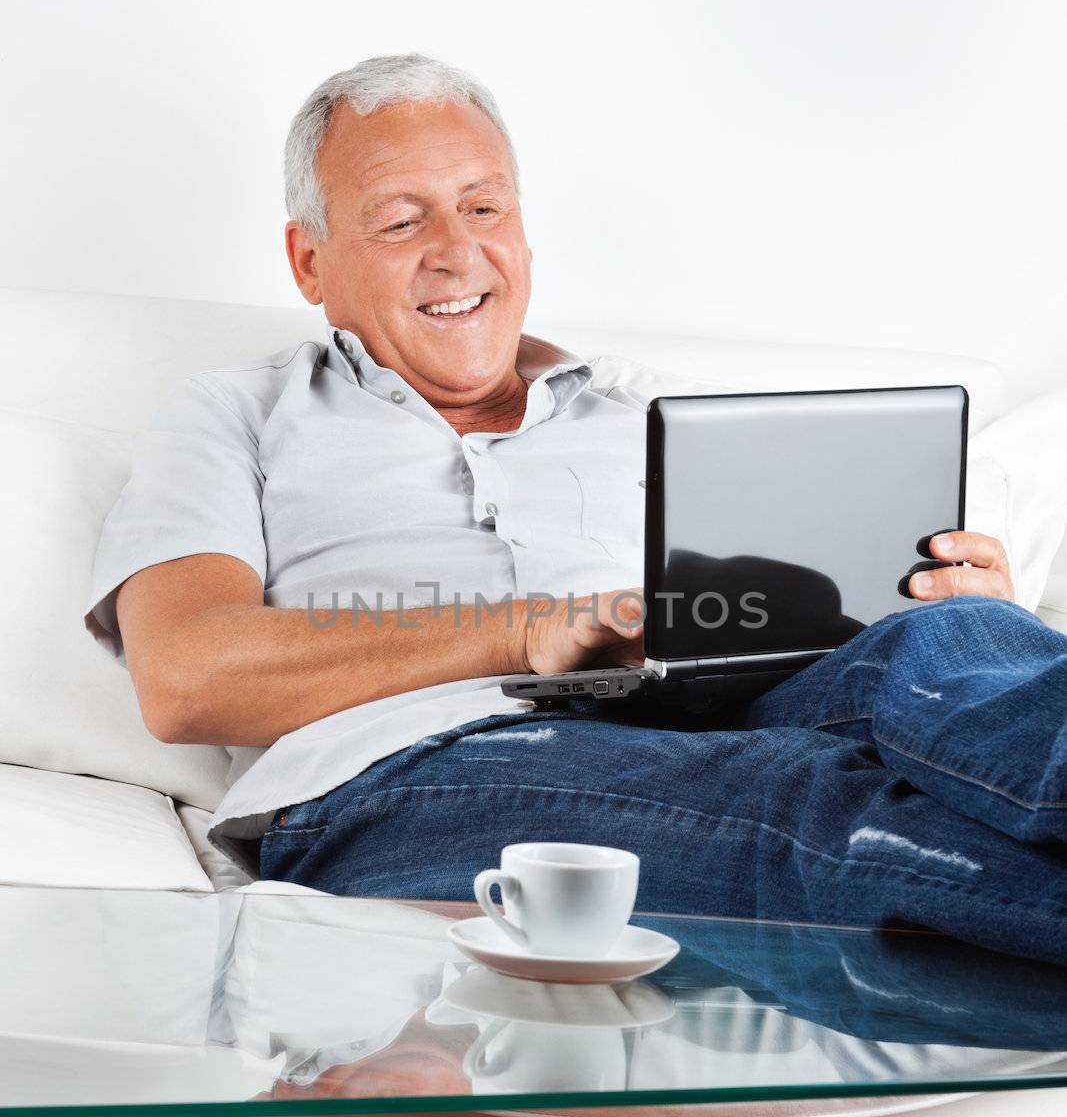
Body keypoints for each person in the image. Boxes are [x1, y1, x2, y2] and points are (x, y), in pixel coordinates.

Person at [84, 52, 1067, 966]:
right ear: (310, 262)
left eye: (482, 207)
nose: (455, 252)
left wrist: (934, 598)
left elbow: (806, 638)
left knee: (949, 643)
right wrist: (523, 634)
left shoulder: (647, 410)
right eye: (399, 220)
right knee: (794, 797)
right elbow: (185, 675)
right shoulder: (235, 414)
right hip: (405, 779)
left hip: (690, 722)